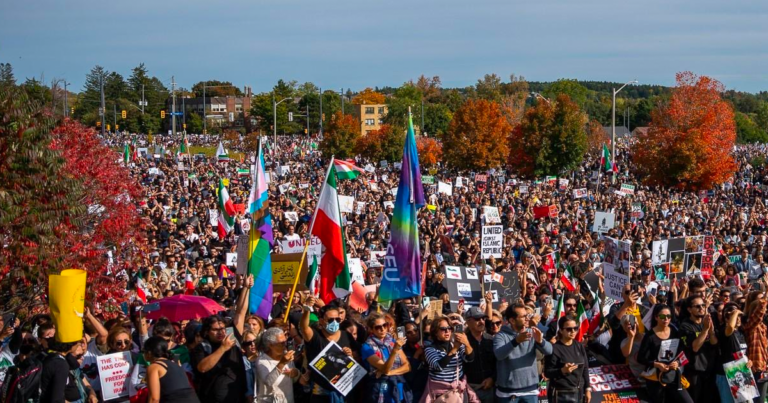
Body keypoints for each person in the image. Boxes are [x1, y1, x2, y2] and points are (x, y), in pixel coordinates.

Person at [299, 297, 358, 403]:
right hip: (321, 394)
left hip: (344, 390)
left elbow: (357, 356)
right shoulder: (316, 336)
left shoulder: (346, 336)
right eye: (330, 320)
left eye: (337, 319)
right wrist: (307, 309)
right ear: (321, 321)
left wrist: (351, 356)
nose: (334, 322)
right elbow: (304, 328)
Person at [494, 304, 552, 403]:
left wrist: (540, 341)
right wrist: (516, 341)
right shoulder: (501, 336)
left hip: (530, 391)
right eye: (523, 316)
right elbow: (499, 355)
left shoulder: (532, 332)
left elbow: (549, 351)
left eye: (527, 315)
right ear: (512, 320)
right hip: (508, 393)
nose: (527, 318)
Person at [637, 304, 692, 403]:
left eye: (668, 316)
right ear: (656, 317)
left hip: (674, 375)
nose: (666, 319)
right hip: (655, 378)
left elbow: (684, 352)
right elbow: (640, 358)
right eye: (662, 316)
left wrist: (678, 363)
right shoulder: (650, 336)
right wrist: (657, 364)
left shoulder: (675, 331)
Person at [422, 316, 478, 403]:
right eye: (443, 329)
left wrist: (466, 343)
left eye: (449, 328)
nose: (447, 331)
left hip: (458, 392)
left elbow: (470, 359)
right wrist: (454, 349)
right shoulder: (430, 348)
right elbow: (438, 366)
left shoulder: (456, 344)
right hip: (441, 394)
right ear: (435, 332)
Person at [360, 313, 412, 403]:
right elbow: (385, 368)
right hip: (381, 389)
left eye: (384, 325)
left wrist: (390, 372)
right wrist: (395, 350)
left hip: (398, 385)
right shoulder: (367, 347)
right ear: (371, 329)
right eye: (378, 327)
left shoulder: (392, 341)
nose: (382, 329)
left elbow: (407, 366)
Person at [543, 316, 591, 403]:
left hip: (579, 391)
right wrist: (562, 370)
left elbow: (585, 368)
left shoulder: (579, 346)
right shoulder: (554, 348)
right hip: (560, 393)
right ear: (561, 330)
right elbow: (547, 372)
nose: (573, 331)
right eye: (569, 329)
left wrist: (588, 389)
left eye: (575, 328)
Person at [678, 295, 718, 401]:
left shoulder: (707, 322)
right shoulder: (685, 326)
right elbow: (695, 347)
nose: (701, 308)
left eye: (703, 305)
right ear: (689, 309)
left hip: (709, 370)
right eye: (697, 306)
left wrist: (711, 331)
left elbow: (714, 343)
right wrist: (705, 330)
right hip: (694, 372)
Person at [144, 336, 199, 403]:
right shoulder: (175, 365)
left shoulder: (154, 367)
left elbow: (154, 399)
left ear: (149, 353)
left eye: (143, 351)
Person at [255, 327, 299, 403]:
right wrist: (282, 363)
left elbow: (294, 379)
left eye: (286, 342)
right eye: (281, 343)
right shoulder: (261, 361)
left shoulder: (286, 355)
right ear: (270, 345)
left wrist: (296, 373)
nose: (285, 345)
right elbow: (268, 382)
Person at [463, 305, 496, 403]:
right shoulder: (462, 341)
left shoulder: (491, 339)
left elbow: (498, 363)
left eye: (483, 318)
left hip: (489, 389)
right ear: (468, 321)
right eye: (477, 319)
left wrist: (492, 378)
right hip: (469, 389)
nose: (482, 321)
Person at [716, 302, 747, 403]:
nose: (738, 318)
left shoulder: (741, 333)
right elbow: (729, 328)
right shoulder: (723, 330)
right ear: (726, 318)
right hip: (726, 374)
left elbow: (743, 351)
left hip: (742, 373)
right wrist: (736, 311)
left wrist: (748, 360)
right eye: (734, 316)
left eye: (739, 316)